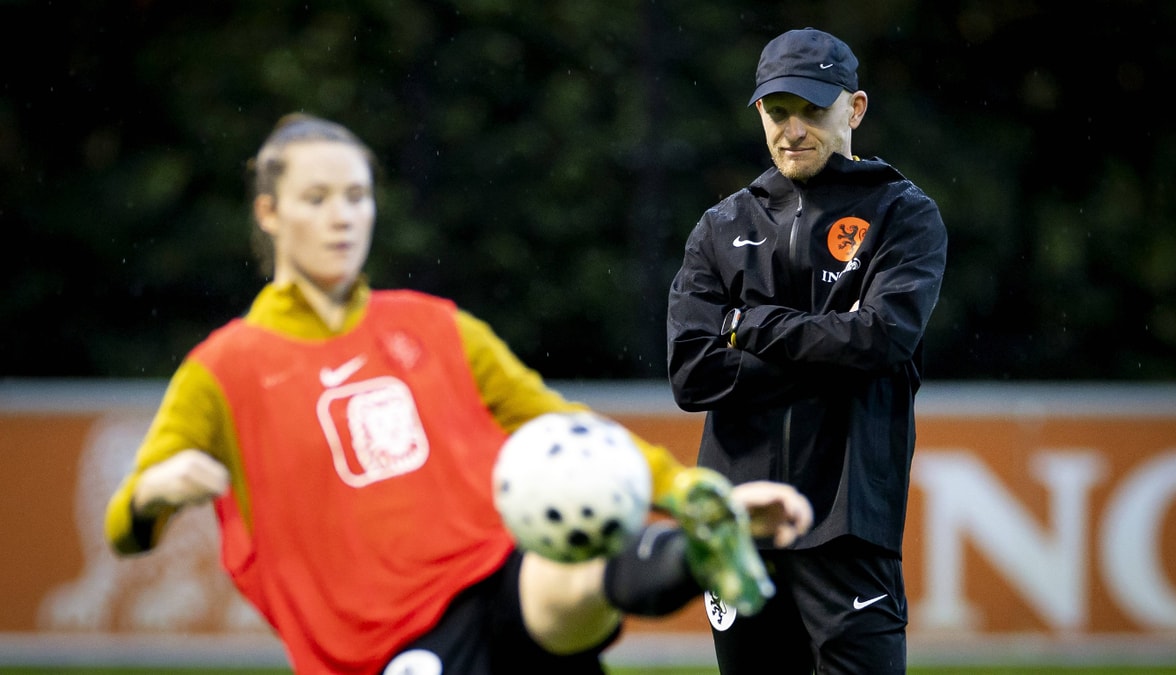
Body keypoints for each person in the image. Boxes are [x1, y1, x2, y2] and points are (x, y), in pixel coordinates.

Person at [104, 112, 813, 675]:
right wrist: (150, 494)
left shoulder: (433, 325)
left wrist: (693, 490)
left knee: (569, 580)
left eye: (356, 195)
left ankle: (703, 544)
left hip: (494, 576)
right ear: (268, 213)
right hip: (380, 645)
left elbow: (563, 423)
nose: (342, 216)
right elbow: (124, 524)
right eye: (316, 199)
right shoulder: (222, 369)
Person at [666, 27, 948, 674]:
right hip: (739, 526)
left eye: (813, 110)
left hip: (849, 523)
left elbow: (883, 337)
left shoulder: (904, 215)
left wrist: (751, 323)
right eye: (777, 110)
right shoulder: (721, 225)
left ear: (855, 109)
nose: (793, 129)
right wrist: (831, 343)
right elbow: (692, 374)